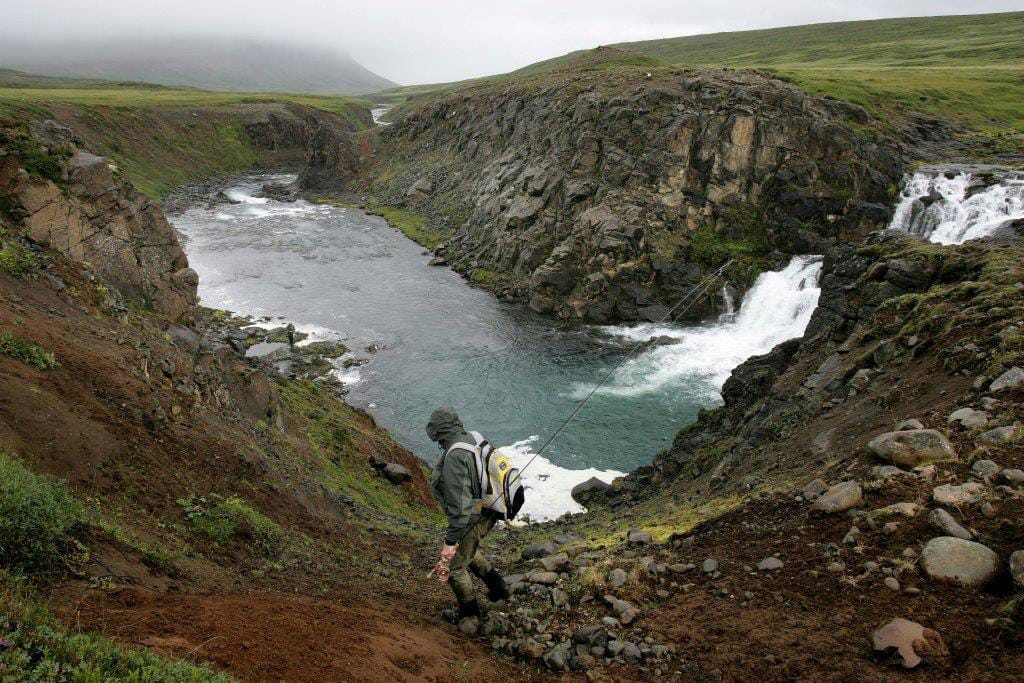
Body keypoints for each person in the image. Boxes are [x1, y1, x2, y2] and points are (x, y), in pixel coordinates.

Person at [426, 406, 509, 620]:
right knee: (466, 548)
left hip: (474, 514)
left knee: (453, 568)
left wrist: (449, 542)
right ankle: (498, 586)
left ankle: (469, 615)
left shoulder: (455, 455)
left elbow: (460, 508)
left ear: (438, 432)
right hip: (491, 507)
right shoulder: (474, 436)